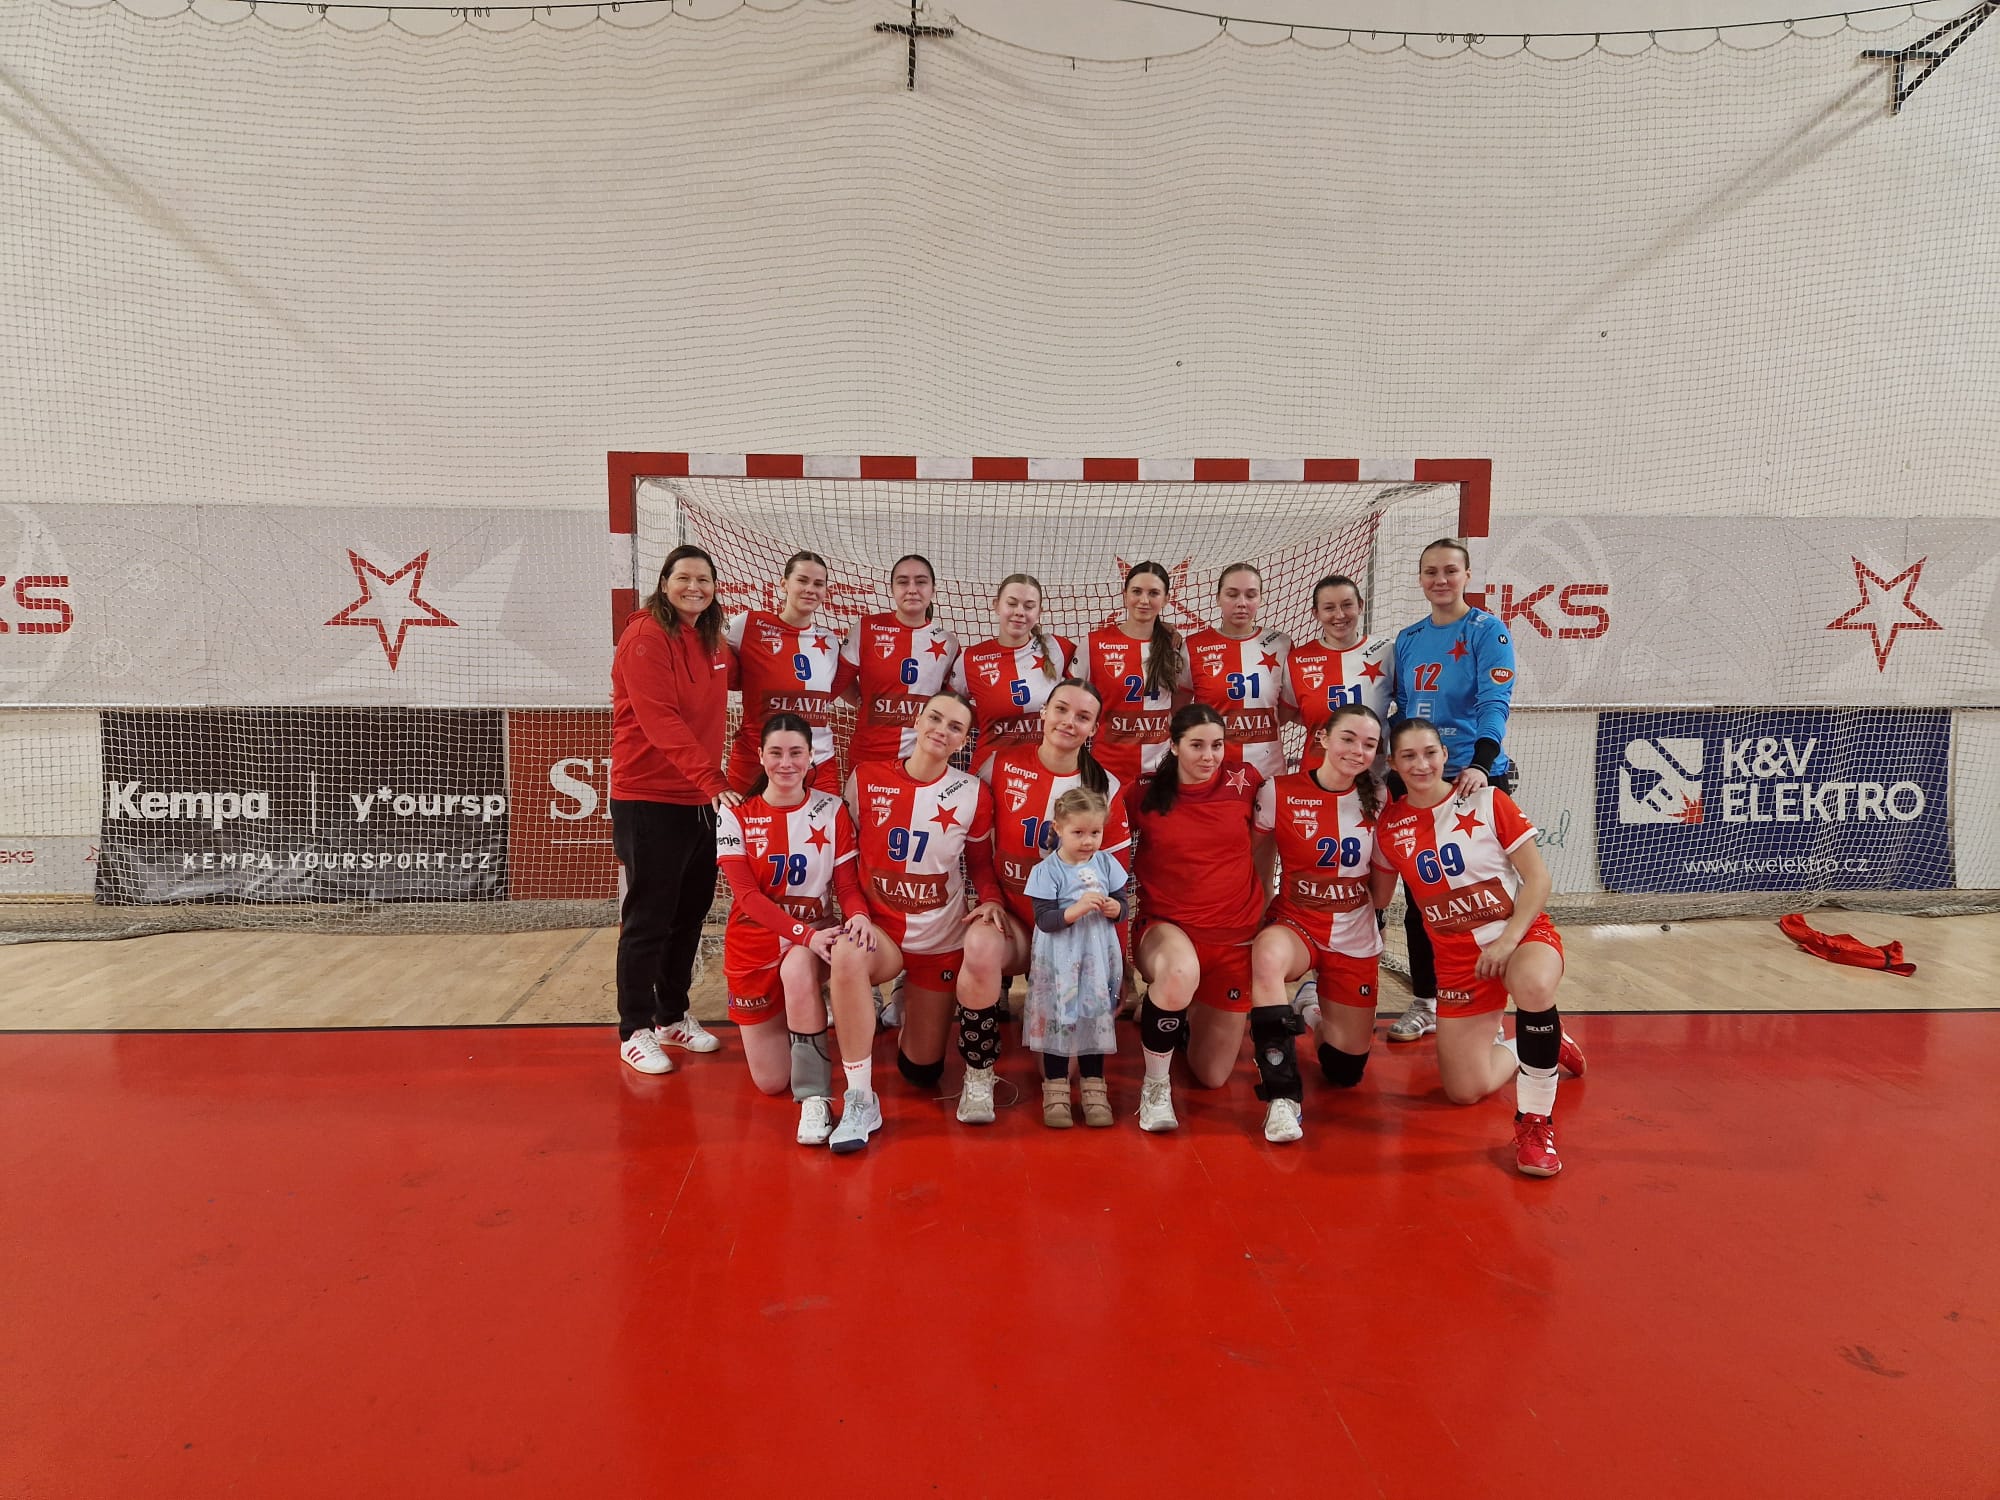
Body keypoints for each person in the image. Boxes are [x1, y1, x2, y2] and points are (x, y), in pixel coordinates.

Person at [1373, 718, 1584, 1177]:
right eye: (1408, 756)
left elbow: (1538, 879)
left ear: (1445, 755)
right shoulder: (1388, 827)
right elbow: (1376, 896)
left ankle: (1535, 1125)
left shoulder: (1486, 800)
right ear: (1393, 764)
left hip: (1518, 937)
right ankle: (1544, 1041)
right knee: (1464, 1090)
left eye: (1430, 752)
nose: (1421, 764)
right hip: (1458, 963)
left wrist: (1508, 941)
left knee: (1532, 986)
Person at [835, 691, 1010, 1147]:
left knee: (921, 1073)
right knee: (847, 954)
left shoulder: (972, 793)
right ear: (917, 719)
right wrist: (855, 913)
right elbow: (843, 862)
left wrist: (991, 899)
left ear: (964, 740)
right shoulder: (865, 777)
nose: (941, 730)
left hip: (939, 941)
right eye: (935, 718)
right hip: (881, 933)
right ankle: (859, 1097)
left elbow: (980, 866)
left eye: (955, 727)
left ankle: (907, 1001)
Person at [714, 714, 874, 1146]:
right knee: (770, 1082)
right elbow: (747, 897)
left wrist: (858, 915)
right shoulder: (735, 814)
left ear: (810, 757)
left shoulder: (831, 809)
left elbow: (847, 886)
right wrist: (805, 934)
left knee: (799, 969)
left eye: (796, 753)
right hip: (754, 947)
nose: (786, 763)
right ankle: (802, 1021)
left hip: (812, 942)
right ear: (761, 756)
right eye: (776, 753)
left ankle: (814, 1097)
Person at [608, 544, 736, 1075]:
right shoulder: (645, 637)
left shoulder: (712, 639)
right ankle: (634, 1028)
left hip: (697, 800)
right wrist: (712, 779)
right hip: (648, 797)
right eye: (683, 578)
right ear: (664, 584)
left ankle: (672, 1016)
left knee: (689, 915)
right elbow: (659, 718)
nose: (694, 587)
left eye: (703, 579)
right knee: (649, 918)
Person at [1384, 539, 1517, 1044]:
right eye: (1430, 571)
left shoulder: (1487, 630)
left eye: (1450, 570)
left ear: (1466, 575)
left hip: (1471, 775)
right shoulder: (1409, 638)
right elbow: (1402, 710)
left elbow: (1495, 702)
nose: (1440, 580)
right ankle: (1426, 1000)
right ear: (1420, 578)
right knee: (1423, 896)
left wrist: (1480, 764)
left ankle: (1500, 1008)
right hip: (1420, 779)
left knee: (1485, 895)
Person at [1247, 705, 1387, 1144]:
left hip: (1354, 933)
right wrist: (1259, 912)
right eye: (1348, 738)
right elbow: (1258, 859)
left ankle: (1310, 1007)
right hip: (1297, 921)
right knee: (1267, 956)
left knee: (1345, 1070)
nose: (1358, 750)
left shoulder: (1381, 798)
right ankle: (1282, 1097)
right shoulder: (1279, 791)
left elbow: (1382, 891)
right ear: (1322, 738)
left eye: (1369, 744)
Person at [1124, 704, 1266, 1133]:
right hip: (1167, 928)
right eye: (1197, 745)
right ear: (1173, 746)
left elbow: (1269, 842)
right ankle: (1155, 1086)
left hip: (1234, 938)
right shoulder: (1144, 792)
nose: (1209, 756)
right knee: (1178, 974)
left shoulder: (1246, 782)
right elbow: (1103, 840)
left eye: (1217, 745)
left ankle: (1176, 1020)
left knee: (1212, 1075)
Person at [1023, 787, 1130, 1129]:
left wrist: (1115, 909)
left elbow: (1123, 905)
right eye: (1078, 832)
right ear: (1058, 828)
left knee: (1093, 1020)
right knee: (1059, 1021)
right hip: (1059, 962)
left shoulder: (1106, 863)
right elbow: (1045, 919)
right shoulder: (1047, 870)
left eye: (1095, 832)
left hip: (1095, 959)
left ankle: (1094, 1089)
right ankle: (1055, 1091)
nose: (1088, 841)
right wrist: (1076, 909)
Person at [724, 550, 842, 795]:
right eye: (802, 580)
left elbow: (849, 688)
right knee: (738, 819)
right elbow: (705, 646)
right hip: (755, 760)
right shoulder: (748, 625)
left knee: (828, 821)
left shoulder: (830, 641)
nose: (810, 589)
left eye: (818, 584)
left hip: (818, 762)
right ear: (784, 584)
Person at [839, 553, 961, 765]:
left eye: (921, 582)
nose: (912, 589)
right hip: (868, 756)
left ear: (933, 590)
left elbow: (953, 702)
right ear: (892, 589)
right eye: (903, 582)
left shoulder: (948, 642)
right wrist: (859, 700)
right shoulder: (866, 628)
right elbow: (839, 680)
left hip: (921, 761)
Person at [1078, 560, 1190, 790]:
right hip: (1105, 770)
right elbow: (1074, 701)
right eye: (1137, 591)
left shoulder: (1176, 647)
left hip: (1160, 771)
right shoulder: (1094, 643)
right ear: (1125, 594)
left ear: (1166, 599)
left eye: (1154, 593)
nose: (1144, 600)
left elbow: (1180, 703)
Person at [951, 573, 1074, 774]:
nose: (1019, 612)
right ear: (996, 605)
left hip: (1044, 771)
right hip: (989, 771)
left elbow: (1089, 692)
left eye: (1029, 606)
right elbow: (949, 709)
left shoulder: (1058, 648)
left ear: (1039, 612)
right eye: (1012, 603)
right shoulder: (970, 659)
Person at [1184, 562, 1290, 780]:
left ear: (1260, 598)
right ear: (1217, 598)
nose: (1242, 603)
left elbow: (1289, 709)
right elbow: (1178, 707)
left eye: (1251, 595)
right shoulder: (1193, 646)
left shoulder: (1281, 644)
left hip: (1267, 771)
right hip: (1212, 771)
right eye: (1232, 594)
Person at [1281, 573, 1393, 774]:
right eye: (1329, 608)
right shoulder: (1297, 659)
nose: (1340, 615)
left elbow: (1408, 705)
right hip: (1316, 773)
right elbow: (1287, 713)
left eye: (1347, 605)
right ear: (1316, 613)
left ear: (1360, 605)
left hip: (1373, 775)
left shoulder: (1387, 651)